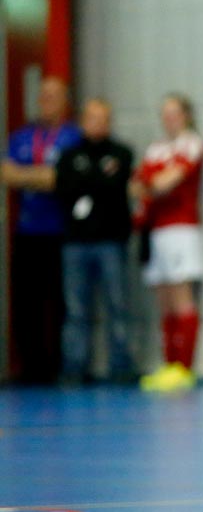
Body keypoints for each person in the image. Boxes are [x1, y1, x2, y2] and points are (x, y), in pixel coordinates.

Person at [2, 76, 83, 384]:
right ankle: (30, 367)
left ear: (65, 102)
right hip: (28, 230)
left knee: (61, 301)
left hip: (61, 231)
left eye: (55, 97)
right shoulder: (21, 137)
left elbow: (60, 179)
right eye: (44, 96)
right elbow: (7, 173)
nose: (47, 102)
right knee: (27, 302)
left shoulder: (73, 138)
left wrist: (28, 176)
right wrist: (41, 176)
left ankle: (59, 365)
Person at [53, 98, 137, 384]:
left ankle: (121, 365)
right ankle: (75, 366)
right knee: (76, 308)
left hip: (111, 239)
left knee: (118, 304)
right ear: (82, 121)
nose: (97, 123)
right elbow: (64, 188)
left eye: (102, 118)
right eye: (91, 118)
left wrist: (89, 182)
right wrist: (96, 180)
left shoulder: (120, 153)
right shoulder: (69, 155)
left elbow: (115, 189)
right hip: (76, 241)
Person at [132, 93, 203, 393]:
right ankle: (169, 363)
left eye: (174, 113)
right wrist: (152, 185)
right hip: (155, 230)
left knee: (181, 297)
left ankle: (184, 368)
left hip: (180, 228)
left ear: (186, 115)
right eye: (165, 113)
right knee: (164, 300)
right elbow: (138, 185)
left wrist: (153, 184)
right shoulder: (156, 149)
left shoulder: (191, 143)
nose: (169, 119)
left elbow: (165, 182)